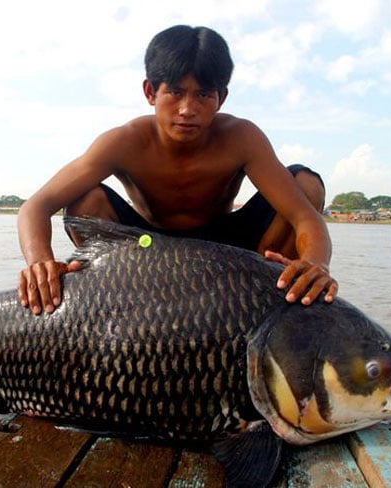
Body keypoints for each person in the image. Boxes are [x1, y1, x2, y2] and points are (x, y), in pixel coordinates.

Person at [17, 25, 338, 315]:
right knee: (85, 202)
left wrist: (315, 262)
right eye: (174, 92)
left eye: (203, 94)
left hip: (229, 252)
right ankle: (121, 303)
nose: (187, 109)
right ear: (150, 92)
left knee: (306, 184)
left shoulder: (242, 138)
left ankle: (274, 297)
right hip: (147, 253)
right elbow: (36, 207)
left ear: (221, 98)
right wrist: (39, 262)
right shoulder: (123, 142)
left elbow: (303, 216)